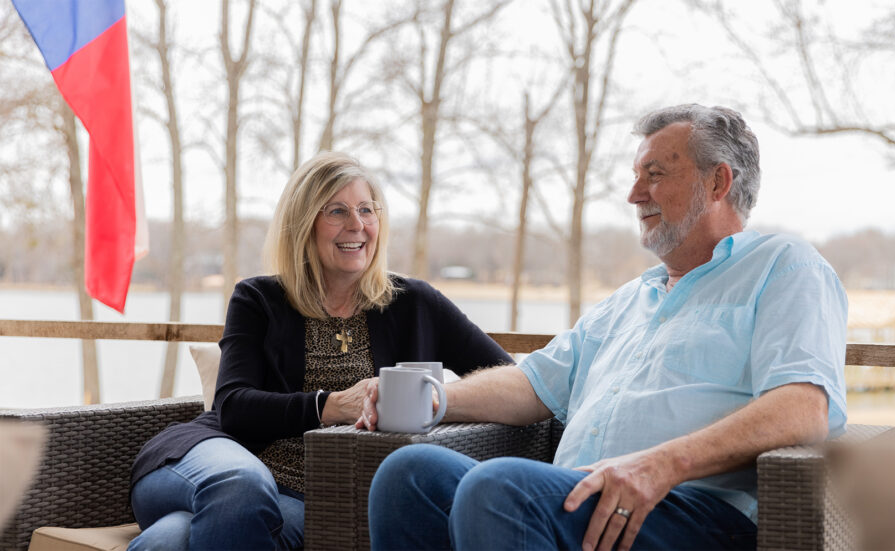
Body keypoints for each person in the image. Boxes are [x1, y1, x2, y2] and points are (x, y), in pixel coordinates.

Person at [359, 104, 848, 551]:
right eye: (636, 177)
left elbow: (802, 409)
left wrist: (660, 464)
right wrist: (434, 397)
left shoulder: (783, 266)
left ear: (718, 182)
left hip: (693, 512)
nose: (634, 195)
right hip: (579, 499)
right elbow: (533, 384)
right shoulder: (632, 298)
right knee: (409, 474)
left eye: (654, 175)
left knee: (500, 488)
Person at [127, 152, 512, 550]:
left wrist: (433, 400)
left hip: (311, 496)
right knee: (239, 487)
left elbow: (508, 377)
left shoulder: (414, 303)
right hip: (216, 458)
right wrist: (333, 405)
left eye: (366, 209)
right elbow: (234, 407)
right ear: (303, 223)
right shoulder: (259, 298)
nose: (357, 224)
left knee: (170, 541)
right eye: (337, 211)